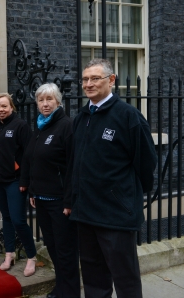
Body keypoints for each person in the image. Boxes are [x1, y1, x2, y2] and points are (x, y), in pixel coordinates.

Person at [66, 58, 157, 298]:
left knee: (125, 280)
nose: (88, 84)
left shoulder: (129, 116)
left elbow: (146, 164)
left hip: (115, 215)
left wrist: (127, 199)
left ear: (112, 80)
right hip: (86, 214)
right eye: (85, 79)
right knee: (94, 279)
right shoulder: (81, 118)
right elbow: (74, 164)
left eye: (95, 78)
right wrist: (71, 200)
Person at [20, 83, 80, 298]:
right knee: (53, 248)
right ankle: (62, 287)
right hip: (42, 199)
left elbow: (73, 166)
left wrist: (69, 201)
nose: (45, 104)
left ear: (58, 101)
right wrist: (33, 192)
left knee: (65, 251)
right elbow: (35, 162)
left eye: (49, 100)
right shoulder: (40, 127)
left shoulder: (66, 126)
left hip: (60, 202)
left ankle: (70, 292)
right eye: (41, 100)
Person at [0, 93, 37, 277]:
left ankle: (31, 256)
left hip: (15, 182)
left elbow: (29, 155)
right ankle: (9, 254)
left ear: (12, 107)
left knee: (18, 220)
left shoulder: (20, 126)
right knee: (6, 219)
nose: (1, 110)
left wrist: (26, 181)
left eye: (4, 106)